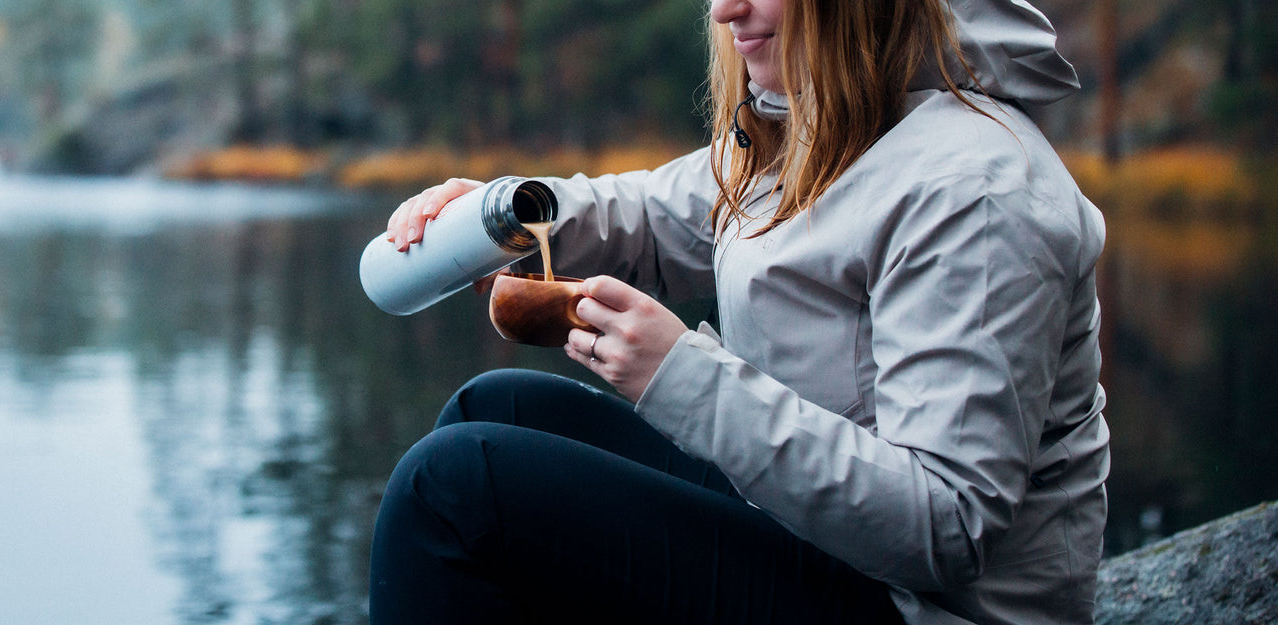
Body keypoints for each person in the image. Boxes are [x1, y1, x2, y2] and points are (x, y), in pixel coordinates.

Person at [370, 0, 1109, 622]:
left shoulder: (974, 188)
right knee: (493, 406)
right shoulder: (815, 126)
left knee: (453, 487)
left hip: (921, 604)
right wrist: (502, 211)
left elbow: (945, 526)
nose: (724, 11)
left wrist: (681, 372)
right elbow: (655, 216)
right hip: (815, 542)